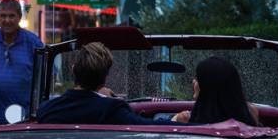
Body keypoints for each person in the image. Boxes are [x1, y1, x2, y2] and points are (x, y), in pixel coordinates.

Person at [37, 42, 193, 125]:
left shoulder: (47, 110)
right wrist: (175, 120)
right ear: (105, 76)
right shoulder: (111, 109)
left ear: (73, 70)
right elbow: (147, 127)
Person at [189, 56, 260, 126]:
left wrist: (180, 121)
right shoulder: (250, 117)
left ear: (206, 88)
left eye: (197, 79)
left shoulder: (188, 123)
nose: (193, 82)